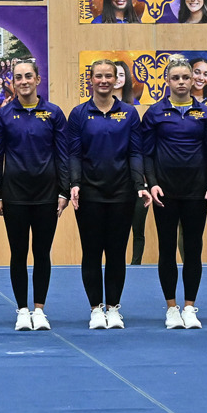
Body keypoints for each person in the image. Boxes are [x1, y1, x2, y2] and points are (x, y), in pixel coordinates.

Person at [137, 57, 207, 328]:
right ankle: (172, 308)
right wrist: (153, 183)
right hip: (165, 193)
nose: (182, 82)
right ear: (168, 81)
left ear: (194, 81)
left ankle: (190, 307)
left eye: (186, 78)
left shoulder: (205, 114)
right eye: (176, 78)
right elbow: (146, 153)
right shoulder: (154, 113)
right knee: (167, 248)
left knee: (193, 249)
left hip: (196, 192)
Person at [0, 59, 68, 331]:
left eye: (28, 76)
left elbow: (63, 155)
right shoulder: (3, 115)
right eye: (18, 77)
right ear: (13, 82)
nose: (23, 81)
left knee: (42, 253)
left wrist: (64, 191)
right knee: (18, 253)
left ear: (37, 80)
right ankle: (22, 309)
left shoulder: (54, 113)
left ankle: (39, 310)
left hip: (47, 195)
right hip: (14, 196)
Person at [67, 58, 143, 328]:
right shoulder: (78, 114)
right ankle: (96, 308)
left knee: (116, 252)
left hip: (122, 194)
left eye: (108, 76)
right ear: (90, 79)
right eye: (98, 76)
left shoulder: (129, 113)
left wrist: (139, 185)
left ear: (116, 80)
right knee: (91, 252)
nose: (103, 80)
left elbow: (135, 152)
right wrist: (74, 183)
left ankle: (113, 307)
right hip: (89, 194)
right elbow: (73, 153)